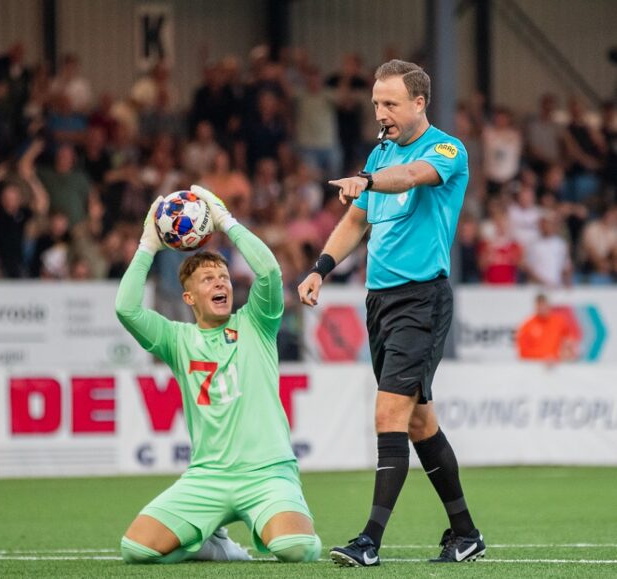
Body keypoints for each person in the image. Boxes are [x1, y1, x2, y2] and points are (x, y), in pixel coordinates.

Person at [297, 59, 485, 567]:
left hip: (421, 299)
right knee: (420, 422)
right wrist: (320, 268)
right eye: (377, 103)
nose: (381, 113)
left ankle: (368, 542)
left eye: (391, 103)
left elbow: (408, 178)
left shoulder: (445, 149)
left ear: (419, 102)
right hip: (379, 303)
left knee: (389, 414)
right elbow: (354, 221)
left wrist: (368, 179)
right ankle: (465, 534)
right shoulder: (378, 155)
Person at [115, 185, 322, 565]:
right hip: (206, 478)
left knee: (295, 548)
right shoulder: (177, 339)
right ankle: (213, 544)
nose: (221, 283)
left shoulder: (256, 323)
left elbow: (270, 271)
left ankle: (264, 522)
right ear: (189, 298)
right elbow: (127, 310)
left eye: (223, 277)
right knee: (136, 550)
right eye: (208, 279)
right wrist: (147, 244)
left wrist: (226, 221)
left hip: (267, 473)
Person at [516, 294, 579, 362]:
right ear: (535, 307)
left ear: (549, 306)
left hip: (557, 365)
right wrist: (544, 358)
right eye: (539, 306)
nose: (542, 309)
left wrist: (567, 351)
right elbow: (523, 352)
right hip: (535, 366)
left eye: (544, 306)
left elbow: (569, 340)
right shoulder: (527, 326)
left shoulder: (559, 322)